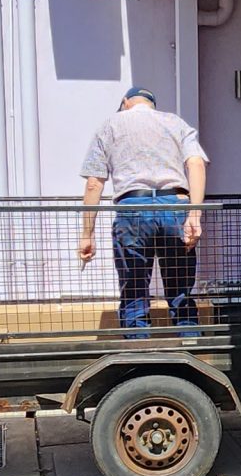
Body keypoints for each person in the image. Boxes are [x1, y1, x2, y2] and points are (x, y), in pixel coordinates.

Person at [76, 87, 206, 336]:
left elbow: (94, 183)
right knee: (180, 286)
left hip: (133, 208)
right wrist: (194, 215)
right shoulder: (175, 122)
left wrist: (87, 234)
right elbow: (196, 163)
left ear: (126, 103)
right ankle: (191, 342)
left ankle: (138, 348)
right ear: (152, 105)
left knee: (134, 287)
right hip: (175, 205)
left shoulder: (110, 125)